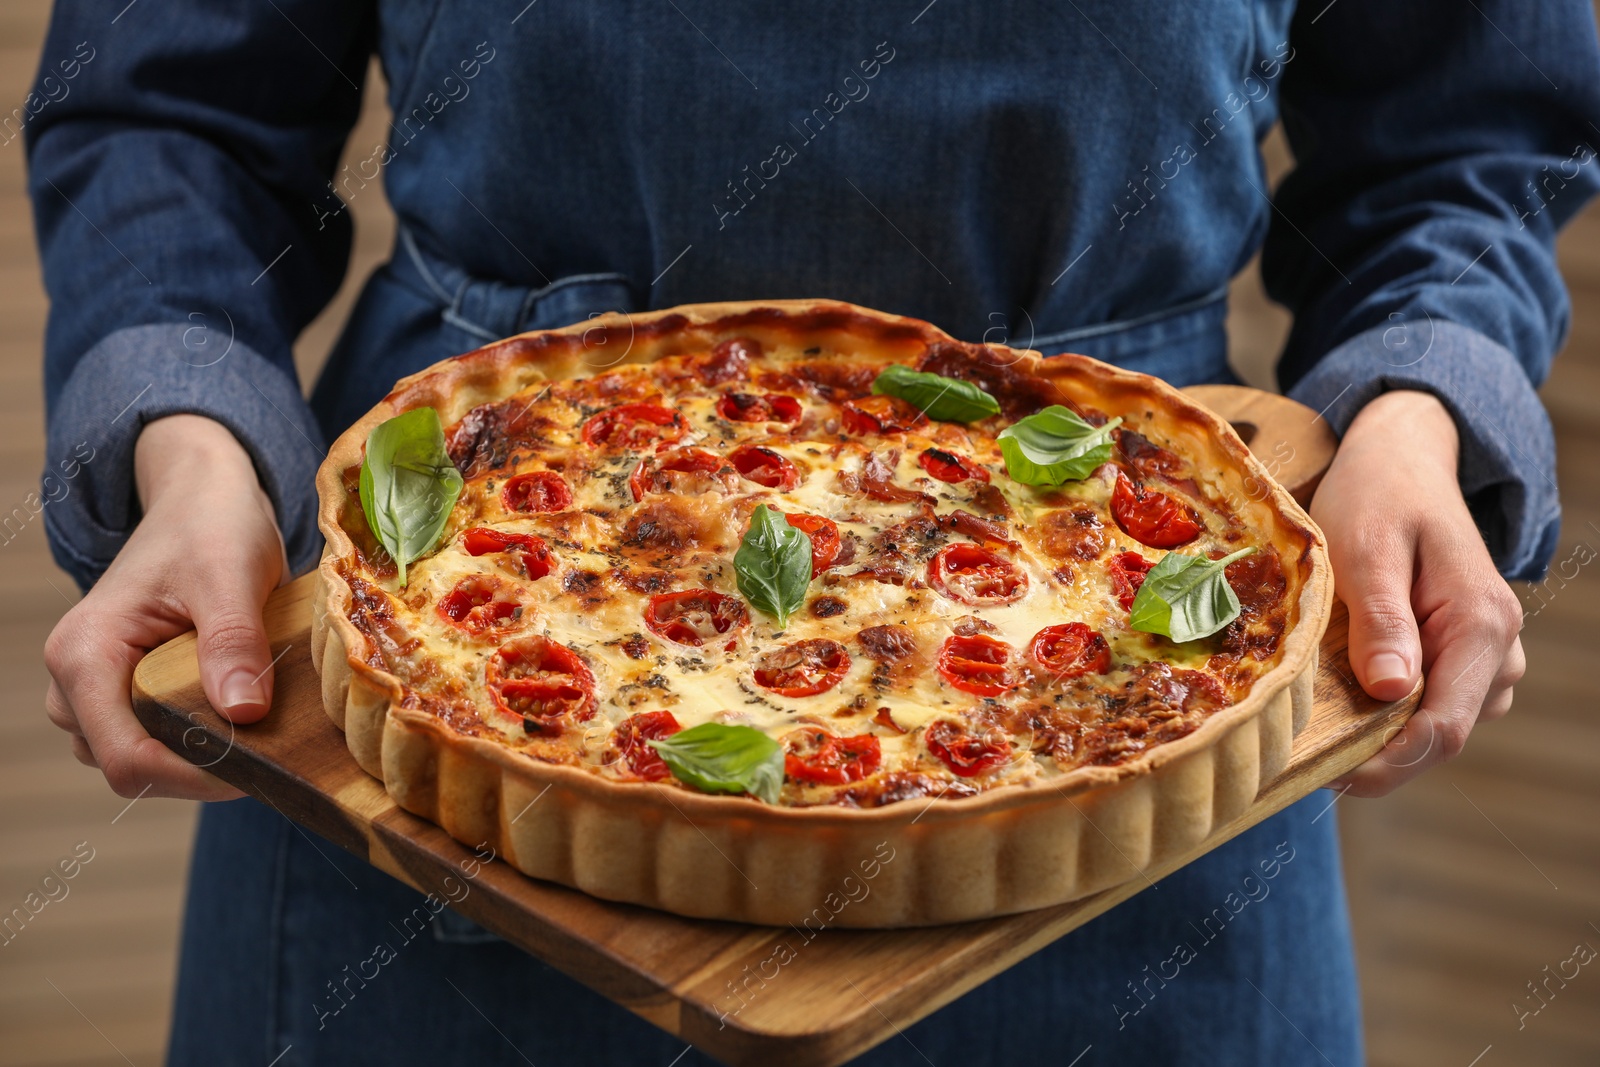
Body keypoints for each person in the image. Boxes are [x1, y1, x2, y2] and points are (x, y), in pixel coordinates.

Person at [28, 1, 1599, 1063]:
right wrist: (193, 435)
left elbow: (1465, 133)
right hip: (456, 649)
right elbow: (173, 102)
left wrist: (1414, 407)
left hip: (1151, 648)